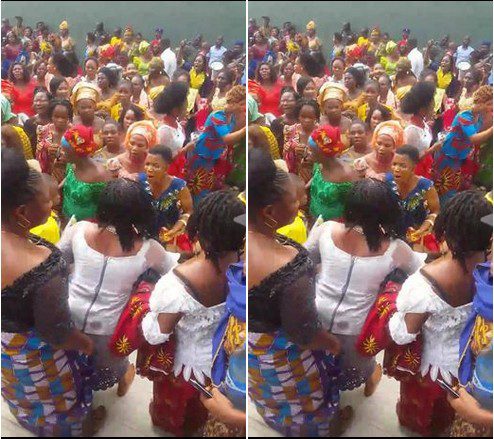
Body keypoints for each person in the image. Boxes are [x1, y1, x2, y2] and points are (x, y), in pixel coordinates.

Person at [248, 148, 349, 437]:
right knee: (302, 400)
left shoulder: (236, 231)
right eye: (294, 200)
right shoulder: (289, 267)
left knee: (267, 392)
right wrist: (331, 343)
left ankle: (276, 420)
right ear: (269, 212)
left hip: (250, 350)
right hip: (282, 355)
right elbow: (304, 334)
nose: (300, 204)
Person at [1, 148, 102, 437]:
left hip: (5, 351)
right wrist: (84, 343)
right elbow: (56, 333)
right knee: (56, 401)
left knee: (20, 391)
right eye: (46, 200)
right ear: (22, 213)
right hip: (36, 356)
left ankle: (30, 420)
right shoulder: (42, 267)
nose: (53, 203)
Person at [58, 177, 178, 398]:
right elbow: (176, 274)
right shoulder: (148, 249)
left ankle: (89, 393)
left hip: (69, 317)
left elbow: (56, 262)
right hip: (110, 328)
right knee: (108, 366)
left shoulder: (79, 230)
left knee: (72, 367)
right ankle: (123, 376)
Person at [306, 178, 425, 395]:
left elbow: (303, 261)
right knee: (352, 367)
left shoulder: (326, 230)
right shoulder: (395, 249)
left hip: (316, 317)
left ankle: (352, 385)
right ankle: (369, 377)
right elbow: (422, 274)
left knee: (318, 368)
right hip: (358, 327)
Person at [141, 190, 244, 436]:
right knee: (203, 415)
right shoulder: (244, 270)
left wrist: (143, 303)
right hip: (221, 366)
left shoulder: (178, 283)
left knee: (177, 414)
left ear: (200, 234)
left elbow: (156, 335)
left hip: (185, 370)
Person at [389, 190, 492, 436]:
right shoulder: (488, 271)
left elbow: (402, 335)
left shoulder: (425, 284)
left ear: (447, 233)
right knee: (448, 416)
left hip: (433, 371)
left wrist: (391, 303)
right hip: (470, 368)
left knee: (423, 414)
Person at [185, 85, 246, 205]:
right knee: (198, 189)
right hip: (201, 155)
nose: (243, 107)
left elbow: (234, 133)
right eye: (242, 104)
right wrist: (245, 130)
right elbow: (227, 138)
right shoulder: (217, 116)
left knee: (208, 187)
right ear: (233, 103)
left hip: (213, 156)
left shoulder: (232, 116)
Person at [432, 85, 493, 204]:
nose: (491, 107)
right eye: (489, 104)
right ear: (480, 102)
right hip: (447, 156)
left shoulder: (479, 116)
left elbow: (480, 132)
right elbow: (474, 139)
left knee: (452, 188)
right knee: (444, 189)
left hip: (458, 157)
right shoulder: (465, 116)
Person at [386, 145, 440, 248]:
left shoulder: (425, 186)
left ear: (413, 168)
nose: (396, 169)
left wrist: (421, 230)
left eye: (402, 166)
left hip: (415, 240)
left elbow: (435, 211)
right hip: (390, 237)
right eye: (394, 164)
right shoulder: (387, 181)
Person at [142, 145, 193, 251]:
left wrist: (175, 229)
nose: (149, 169)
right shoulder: (139, 182)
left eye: (156, 166)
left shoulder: (179, 186)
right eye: (147, 164)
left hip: (168, 238)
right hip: (142, 236)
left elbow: (188, 211)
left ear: (166, 168)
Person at [61, 125, 111, 221]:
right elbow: (69, 179)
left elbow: (104, 208)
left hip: (85, 225)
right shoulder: (72, 164)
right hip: (68, 220)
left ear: (77, 152)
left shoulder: (99, 176)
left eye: (65, 151)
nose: (61, 153)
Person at [309, 125, 358, 221]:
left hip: (332, 226)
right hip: (315, 221)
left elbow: (353, 206)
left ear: (323, 152)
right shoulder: (319, 164)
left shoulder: (346, 175)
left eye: (312, 151)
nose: (308, 153)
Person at [401, 81, 443, 178]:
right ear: (423, 108)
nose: (434, 105)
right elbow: (409, 160)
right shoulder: (411, 131)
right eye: (432, 102)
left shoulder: (423, 123)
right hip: (415, 174)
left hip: (426, 168)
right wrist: (432, 149)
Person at [282, 98, 320, 184]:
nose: (307, 120)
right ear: (298, 116)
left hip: (315, 177)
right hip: (294, 177)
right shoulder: (290, 131)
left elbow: (325, 158)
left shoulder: (321, 133)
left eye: (310, 117)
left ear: (316, 117)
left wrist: (307, 153)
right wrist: (288, 150)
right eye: (303, 117)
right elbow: (284, 155)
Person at [36, 99, 73, 184]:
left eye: (63, 117)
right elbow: (38, 154)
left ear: (69, 117)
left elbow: (79, 158)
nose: (60, 120)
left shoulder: (74, 133)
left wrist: (63, 156)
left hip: (68, 177)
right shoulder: (43, 131)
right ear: (51, 116)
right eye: (56, 116)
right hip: (46, 175)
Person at [23, 87, 51, 154]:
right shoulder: (30, 123)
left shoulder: (55, 121)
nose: (38, 104)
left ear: (50, 102)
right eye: (36, 101)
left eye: (42, 101)